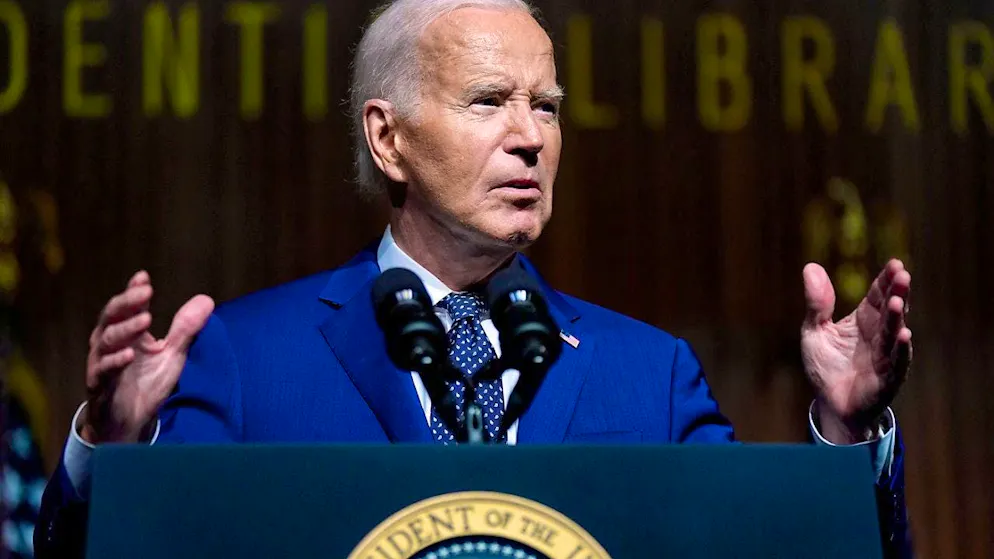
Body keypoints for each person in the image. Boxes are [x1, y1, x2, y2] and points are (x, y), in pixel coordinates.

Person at [35, 0, 914, 557]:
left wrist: (848, 431)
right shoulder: (243, 354)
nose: (532, 136)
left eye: (548, 106)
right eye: (490, 101)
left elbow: (769, 550)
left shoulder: (648, 372)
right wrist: (114, 460)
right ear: (390, 139)